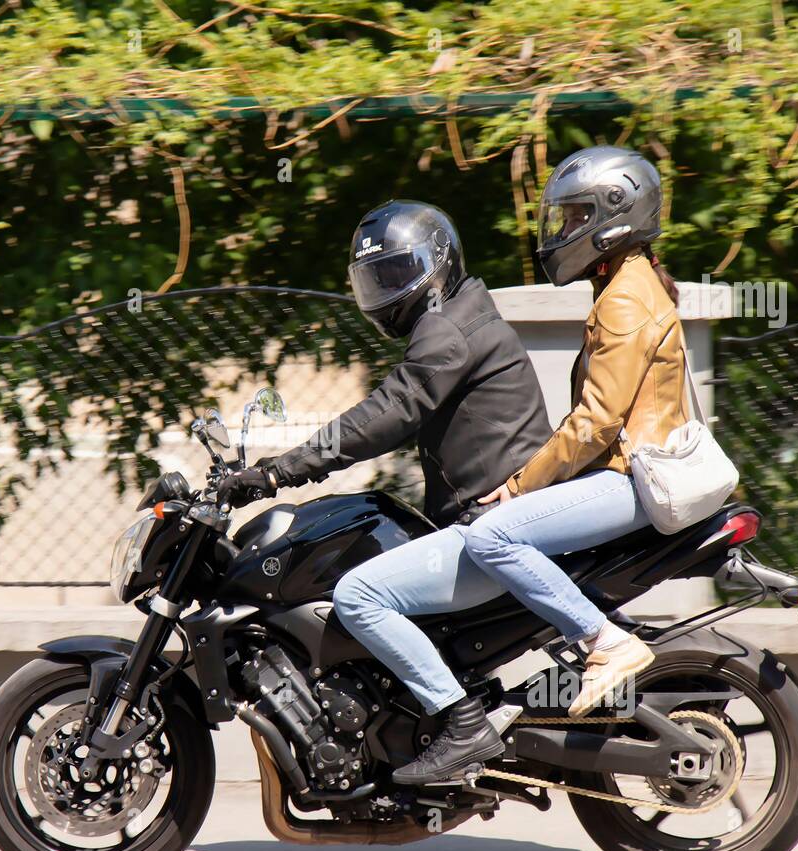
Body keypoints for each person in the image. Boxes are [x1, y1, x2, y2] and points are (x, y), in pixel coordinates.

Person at [218, 199, 552, 785]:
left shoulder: (448, 331)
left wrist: (279, 472)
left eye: (398, 274)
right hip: (488, 524)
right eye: (377, 279)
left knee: (357, 594)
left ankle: (461, 723)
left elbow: (387, 413)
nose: (388, 291)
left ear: (439, 264)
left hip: (491, 530)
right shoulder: (463, 319)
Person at [462, 145, 690, 719]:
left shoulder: (625, 299)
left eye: (574, 217)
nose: (563, 230)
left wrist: (518, 487)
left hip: (630, 480)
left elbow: (595, 422)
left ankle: (605, 644)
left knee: (493, 537)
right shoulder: (628, 284)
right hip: (626, 474)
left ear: (614, 217)